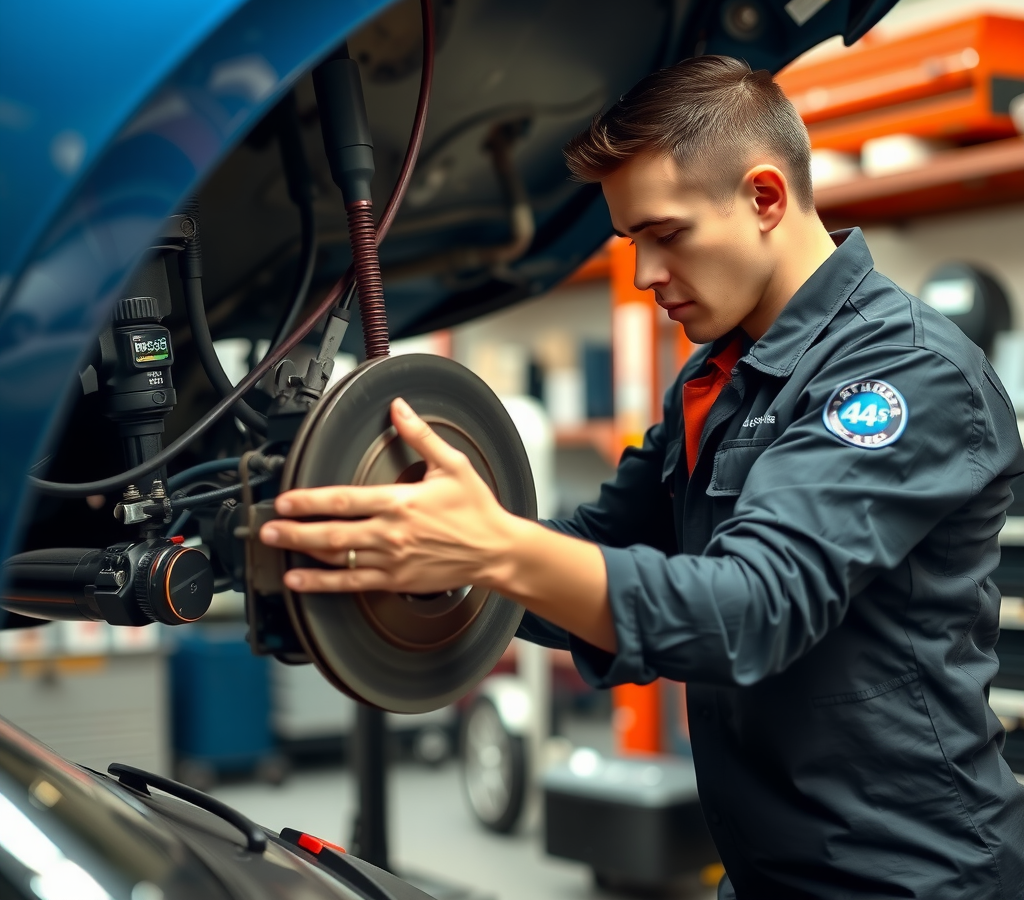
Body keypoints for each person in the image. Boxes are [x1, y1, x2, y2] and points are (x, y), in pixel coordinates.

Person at [259, 56, 1024, 899]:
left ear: (766, 198)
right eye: (632, 241)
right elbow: (600, 547)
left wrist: (491, 549)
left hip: (913, 878)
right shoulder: (716, 377)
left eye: (667, 233)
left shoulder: (905, 372)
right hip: (767, 871)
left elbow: (752, 610)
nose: (644, 274)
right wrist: (421, 551)